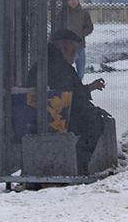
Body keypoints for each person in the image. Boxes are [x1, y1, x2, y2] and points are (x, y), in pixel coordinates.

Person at [26, 29, 107, 173]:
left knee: (93, 116)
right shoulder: (56, 64)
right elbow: (68, 95)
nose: (75, 53)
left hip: (49, 112)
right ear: (63, 45)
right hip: (51, 116)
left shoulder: (53, 60)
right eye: (73, 48)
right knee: (93, 121)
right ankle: (78, 164)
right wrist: (89, 89)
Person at [55, 0, 94, 77]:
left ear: (78, 0)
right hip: (66, 46)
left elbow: (89, 27)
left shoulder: (83, 13)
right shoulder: (62, 14)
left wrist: (81, 34)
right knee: (66, 68)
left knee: (81, 70)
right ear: (67, 1)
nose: (73, 2)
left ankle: (77, 87)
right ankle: (68, 87)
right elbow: (57, 28)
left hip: (79, 45)